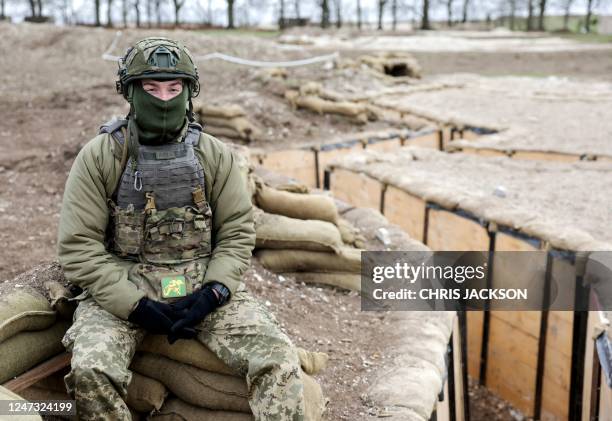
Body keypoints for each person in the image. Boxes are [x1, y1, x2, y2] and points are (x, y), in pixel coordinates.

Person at [57, 37, 305, 420]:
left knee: (281, 361)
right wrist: (134, 306)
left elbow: (237, 232)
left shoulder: (214, 154)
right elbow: (79, 247)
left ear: (190, 92)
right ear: (129, 91)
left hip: (201, 278)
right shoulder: (101, 156)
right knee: (91, 369)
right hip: (126, 285)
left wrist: (216, 290)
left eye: (174, 88)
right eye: (151, 88)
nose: (163, 99)